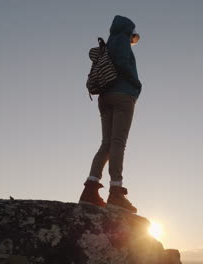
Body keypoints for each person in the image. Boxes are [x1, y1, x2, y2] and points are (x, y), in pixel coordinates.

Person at [79, 15, 142, 213]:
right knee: (118, 143)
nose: (133, 41)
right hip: (123, 95)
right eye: (133, 37)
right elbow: (123, 63)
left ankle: (90, 190)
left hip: (104, 97)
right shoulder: (122, 42)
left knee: (106, 143)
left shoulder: (106, 46)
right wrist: (136, 84)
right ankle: (116, 192)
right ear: (128, 32)